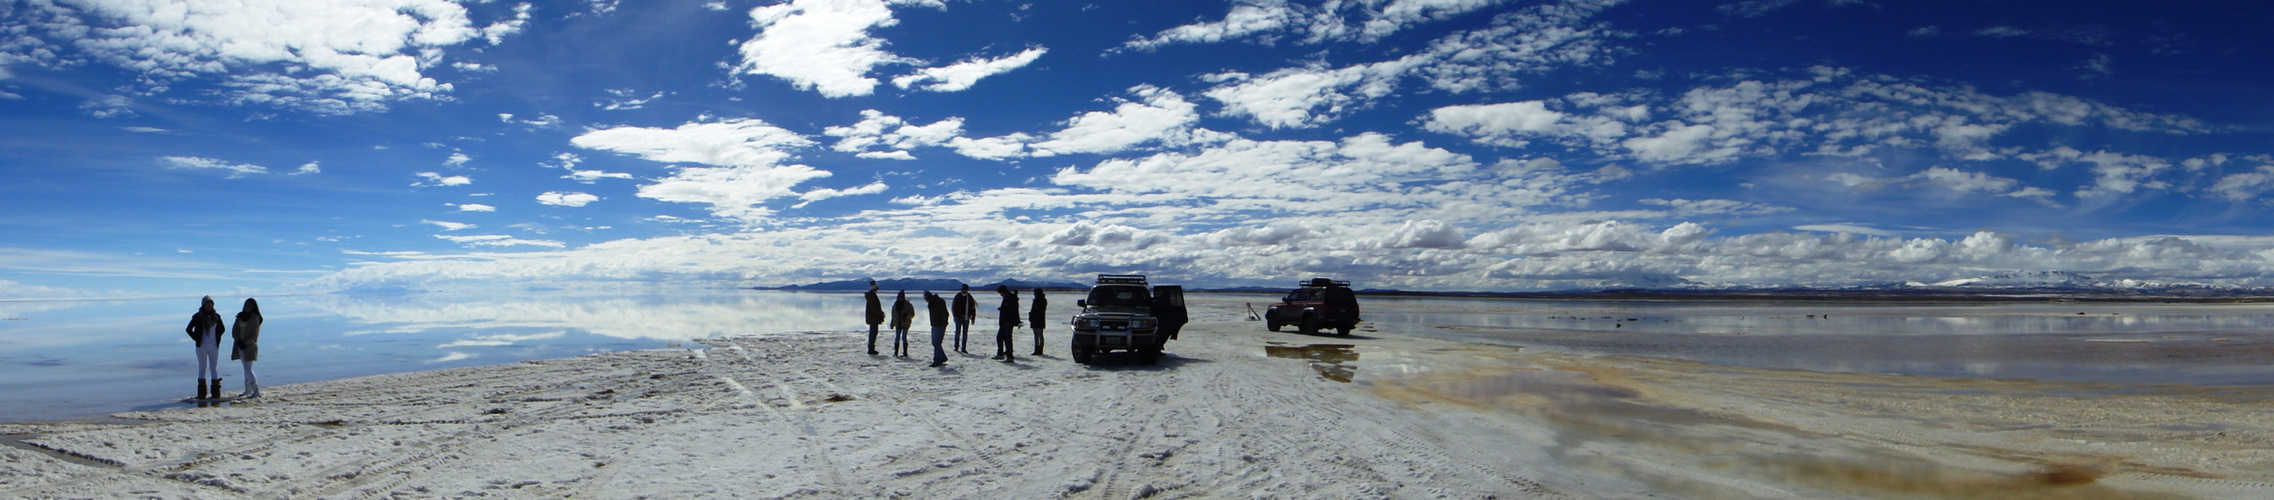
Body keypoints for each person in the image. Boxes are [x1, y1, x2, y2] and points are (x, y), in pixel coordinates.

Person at [184, 296, 226, 400]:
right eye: (207, 304)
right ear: (203, 305)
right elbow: (189, 329)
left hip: (214, 347)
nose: (209, 306)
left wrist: (217, 339)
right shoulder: (197, 316)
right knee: (202, 368)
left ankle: (216, 394)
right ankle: (202, 394)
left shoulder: (217, 317)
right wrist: (197, 339)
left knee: (214, 369)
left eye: (211, 304)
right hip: (201, 347)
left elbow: (222, 329)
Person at [231, 298, 264, 398]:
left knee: (248, 368)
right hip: (240, 345)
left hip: (249, 347)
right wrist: (238, 341)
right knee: (245, 368)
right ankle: (248, 389)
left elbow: (255, 335)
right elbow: (235, 330)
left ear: (253, 307)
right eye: (246, 305)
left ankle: (256, 390)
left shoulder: (255, 318)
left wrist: (246, 343)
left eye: (250, 305)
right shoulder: (240, 317)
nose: (247, 307)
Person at [994, 285, 1020, 362]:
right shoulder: (1006, 298)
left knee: (1007, 339)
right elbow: (1007, 309)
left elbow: (1013, 311)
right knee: (1000, 337)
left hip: (1008, 323)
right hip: (1003, 322)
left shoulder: (1011, 299)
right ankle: (1001, 353)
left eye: (1001, 293)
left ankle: (1009, 356)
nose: (1001, 295)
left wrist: (1009, 321)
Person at [924, 291, 950, 367]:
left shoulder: (938, 302)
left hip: (939, 325)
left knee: (936, 343)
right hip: (934, 324)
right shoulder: (931, 303)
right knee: (935, 343)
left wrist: (944, 324)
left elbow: (945, 314)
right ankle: (942, 357)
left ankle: (937, 360)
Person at [951, 284, 976, 355]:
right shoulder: (957, 296)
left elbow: (972, 308)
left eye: (964, 289)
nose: (963, 290)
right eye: (962, 288)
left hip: (966, 317)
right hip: (958, 317)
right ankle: (956, 347)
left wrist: (973, 317)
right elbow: (953, 307)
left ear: (967, 290)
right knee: (957, 333)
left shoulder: (970, 298)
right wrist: (955, 315)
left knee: (965, 333)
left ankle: (963, 348)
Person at [890, 290, 915, 358]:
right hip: (898, 323)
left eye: (901, 297)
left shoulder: (908, 305)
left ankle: (905, 352)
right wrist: (892, 323)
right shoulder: (895, 305)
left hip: (905, 323)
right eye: (899, 297)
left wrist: (907, 315)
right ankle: (896, 352)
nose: (900, 298)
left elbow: (912, 314)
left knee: (904, 337)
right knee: (897, 337)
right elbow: (893, 315)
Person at [863, 280, 884, 355]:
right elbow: (874, 308)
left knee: (873, 332)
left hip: (872, 317)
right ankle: (871, 348)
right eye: (876, 287)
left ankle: (871, 348)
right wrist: (880, 313)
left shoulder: (872, 295)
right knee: (873, 333)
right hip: (873, 317)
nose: (877, 288)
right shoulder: (872, 296)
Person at [1029, 288, 1048, 356]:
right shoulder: (1036, 300)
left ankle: (1040, 349)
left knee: (1039, 335)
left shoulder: (1042, 300)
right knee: (1036, 335)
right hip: (1035, 319)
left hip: (1039, 319)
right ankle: (1037, 349)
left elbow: (1040, 310)